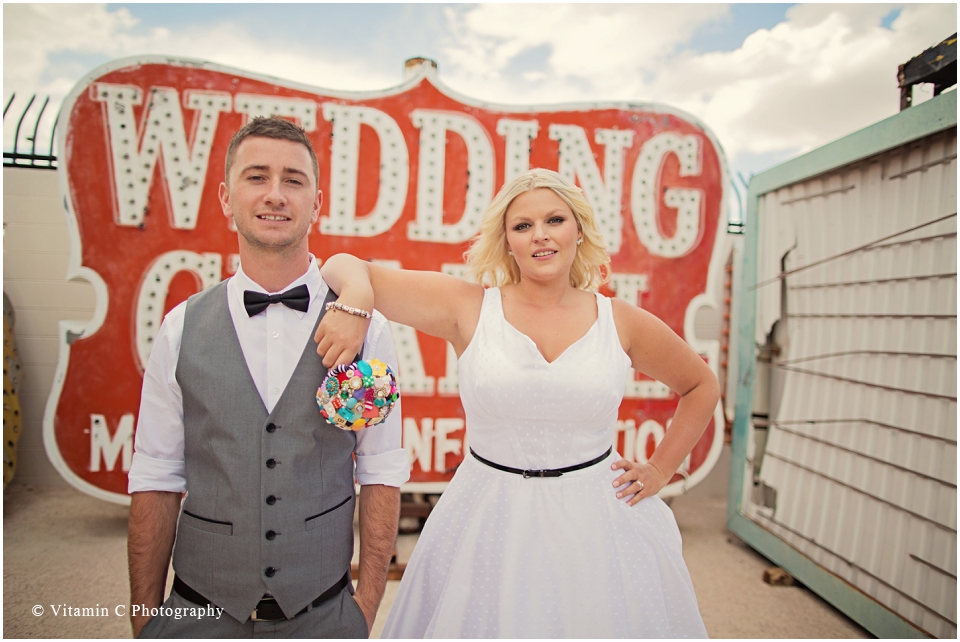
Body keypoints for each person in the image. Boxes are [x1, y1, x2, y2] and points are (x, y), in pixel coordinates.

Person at [315, 168, 720, 637]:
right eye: (522, 226)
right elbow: (340, 265)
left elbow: (701, 386)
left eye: (555, 220)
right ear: (506, 240)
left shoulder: (620, 321)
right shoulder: (467, 307)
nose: (540, 236)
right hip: (486, 518)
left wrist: (659, 470)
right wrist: (358, 300)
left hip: (599, 524)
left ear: (579, 229)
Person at [126, 116, 408, 638]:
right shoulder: (180, 327)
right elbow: (156, 477)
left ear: (317, 203)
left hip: (325, 617)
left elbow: (381, 470)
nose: (275, 194)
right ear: (225, 197)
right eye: (256, 177)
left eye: (293, 180)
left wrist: (364, 609)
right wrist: (145, 619)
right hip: (196, 614)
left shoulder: (367, 328)